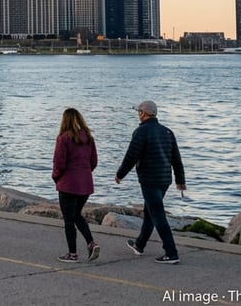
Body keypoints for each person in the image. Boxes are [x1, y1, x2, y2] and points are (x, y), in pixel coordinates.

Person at [116, 100, 186, 264]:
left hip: (149, 179)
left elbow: (131, 156)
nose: (138, 115)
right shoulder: (167, 132)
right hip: (164, 180)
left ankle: (171, 252)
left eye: (138, 112)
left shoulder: (141, 132)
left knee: (158, 215)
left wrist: (120, 174)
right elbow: (176, 158)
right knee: (150, 213)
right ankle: (139, 245)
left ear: (143, 113)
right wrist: (180, 179)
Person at [52, 108, 99, 262]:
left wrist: (56, 177)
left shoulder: (64, 138)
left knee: (68, 220)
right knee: (77, 214)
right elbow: (94, 162)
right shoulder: (89, 138)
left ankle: (72, 254)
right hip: (85, 184)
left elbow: (59, 163)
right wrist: (84, 173)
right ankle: (91, 243)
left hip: (68, 184)